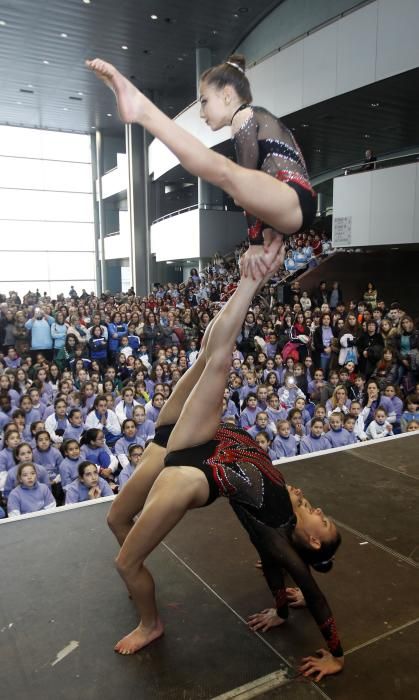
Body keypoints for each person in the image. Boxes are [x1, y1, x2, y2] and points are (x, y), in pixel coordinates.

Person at [104, 249, 344, 682]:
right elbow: (280, 573)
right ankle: (137, 578)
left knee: (218, 357)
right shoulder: (288, 509)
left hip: (194, 469)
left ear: (310, 543)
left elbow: (308, 588)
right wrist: (283, 607)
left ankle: (151, 623)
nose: (321, 512)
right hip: (205, 439)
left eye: (323, 525)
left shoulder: (280, 540)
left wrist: (335, 653)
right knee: (116, 518)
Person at [86, 55, 317, 280]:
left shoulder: (244, 116)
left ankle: (143, 110)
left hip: (293, 194)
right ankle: (141, 110)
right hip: (294, 201)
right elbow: (252, 185)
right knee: (228, 178)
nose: (201, 112)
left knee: (224, 172)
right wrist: (266, 230)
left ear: (227, 95)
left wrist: (255, 242)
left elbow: (245, 181)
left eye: (204, 101)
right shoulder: (256, 116)